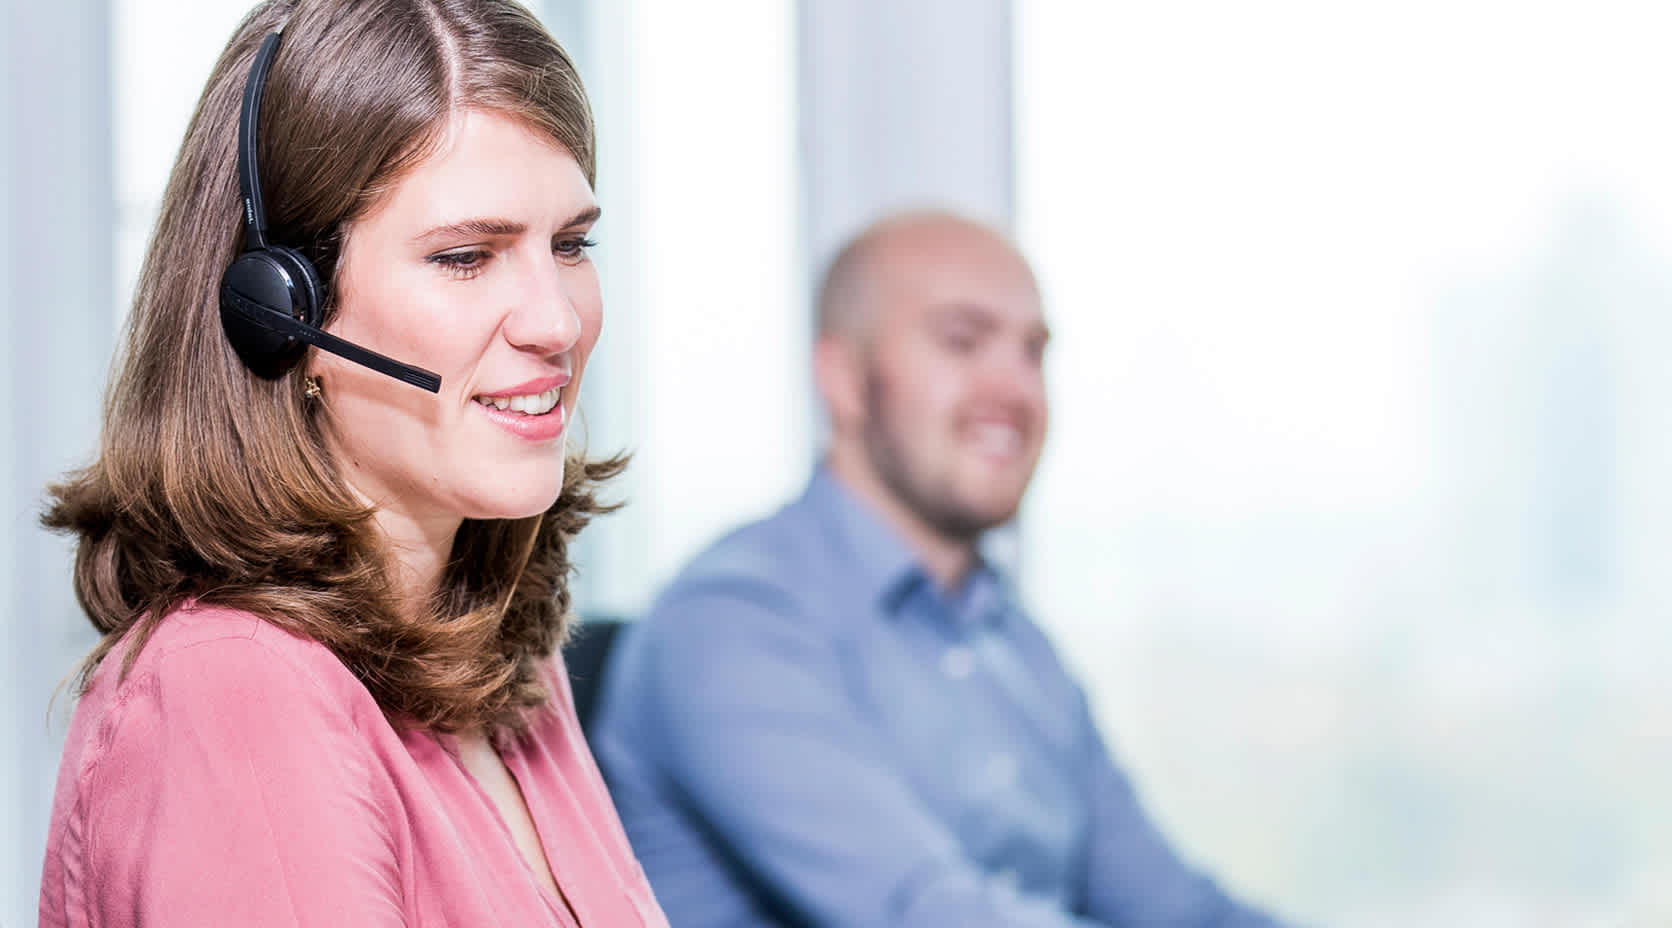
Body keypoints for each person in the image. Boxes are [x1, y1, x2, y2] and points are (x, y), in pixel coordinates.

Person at [38, 1, 667, 925]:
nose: (557, 321)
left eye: (570, 244)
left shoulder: (503, 661)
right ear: (280, 311)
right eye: (465, 256)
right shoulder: (235, 687)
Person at [593, 210, 1294, 926]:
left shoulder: (1018, 650)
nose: (1015, 389)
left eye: (1032, 352)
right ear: (843, 378)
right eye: (963, 341)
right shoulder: (729, 623)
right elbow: (930, 913)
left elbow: (1177, 907)